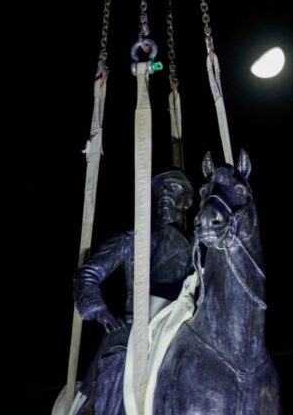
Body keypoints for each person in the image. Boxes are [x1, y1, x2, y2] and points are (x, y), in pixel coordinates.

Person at [73, 169, 194, 414]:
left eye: (173, 189)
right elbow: (87, 273)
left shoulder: (198, 247)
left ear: (188, 201)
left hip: (183, 331)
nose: (164, 196)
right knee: (117, 365)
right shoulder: (136, 239)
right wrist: (99, 311)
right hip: (134, 330)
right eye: (160, 191)